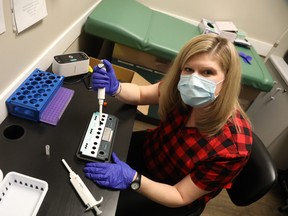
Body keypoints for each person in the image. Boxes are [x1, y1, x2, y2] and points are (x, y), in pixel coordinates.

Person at [83, 34, 253, 215]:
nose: (194, 80)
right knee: (87, 157)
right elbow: (141, 93)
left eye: (207, 72)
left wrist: (133, 178)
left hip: (170, 190)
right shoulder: (181, 88)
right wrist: (116, 87)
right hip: (153, 150)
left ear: (227, 79)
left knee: (102, 207)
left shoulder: (233, 148)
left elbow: (180, 195)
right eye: (188, 69)